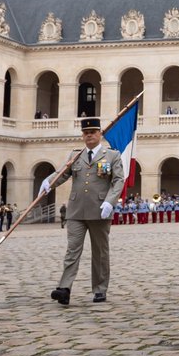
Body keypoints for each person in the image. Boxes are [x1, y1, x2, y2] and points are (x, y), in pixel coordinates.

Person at [40, 117, 125, 306]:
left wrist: (111, 202)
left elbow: (118, 180)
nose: (89, 136)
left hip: (100, 210)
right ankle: (64, 288)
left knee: (100, 252)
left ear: (100, 134)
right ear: (83, 136)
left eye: (93, 132)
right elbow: (63, 174)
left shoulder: (111, 155)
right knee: (72, 250)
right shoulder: (75, 155)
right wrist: (49, 182)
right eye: (86, 133)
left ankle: (100, 289)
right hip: (76, 211)